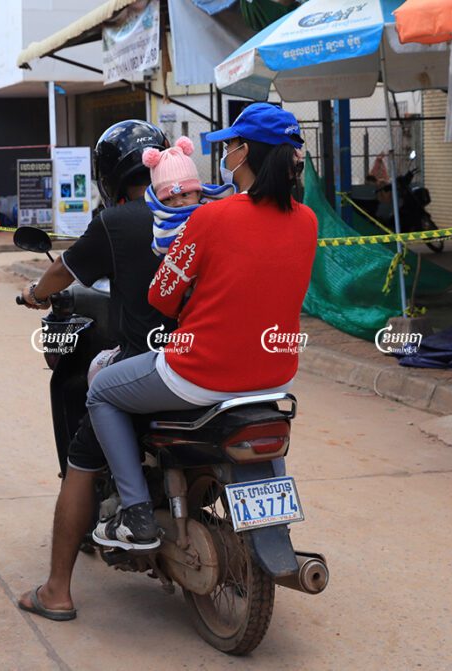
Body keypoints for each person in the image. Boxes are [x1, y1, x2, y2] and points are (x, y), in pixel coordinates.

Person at [88, 102, 317, 551]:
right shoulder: (306, 221)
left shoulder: (212, 217)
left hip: (202, 373)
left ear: (245, 152)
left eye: (230, 147)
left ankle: (135, 514)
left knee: (101, 392)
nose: (226, 155)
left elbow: (161, 295)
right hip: (275, 377)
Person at [16, 120, 177, 621]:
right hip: (206, 357)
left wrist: (34, 294)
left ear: (107, 175)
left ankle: (57, 591)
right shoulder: (198, 212)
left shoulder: (116, 220)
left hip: (149, 364)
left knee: (85, 445)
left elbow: (65, 270)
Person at [141, 135, 235, 256]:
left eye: (185, 195)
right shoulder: (163, 223)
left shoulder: (215, 209)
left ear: (198, 193)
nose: (178, 203)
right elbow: (162, 246)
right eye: (168, 199)